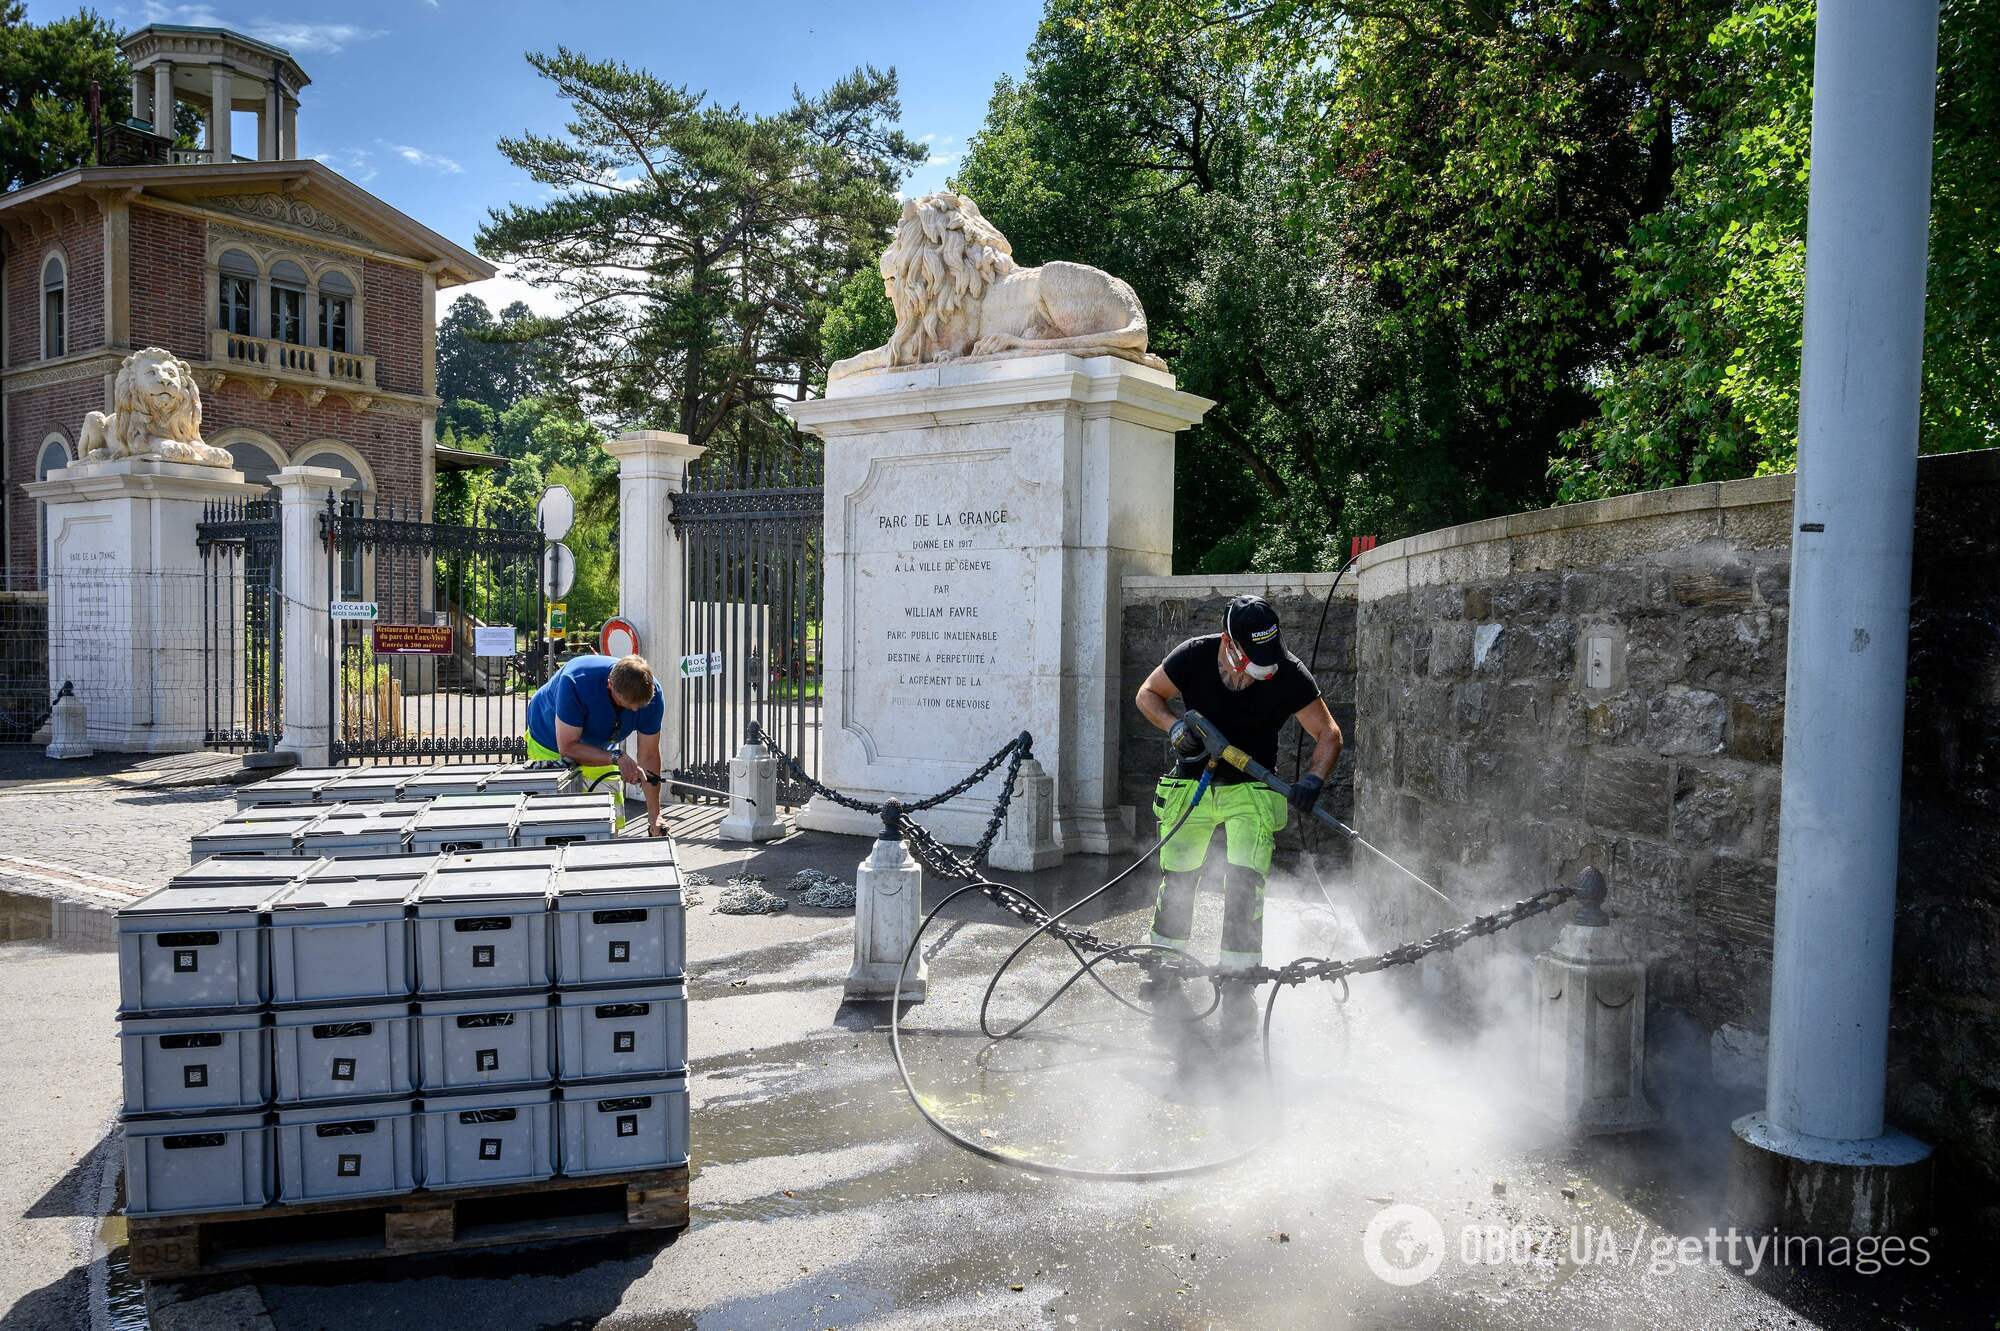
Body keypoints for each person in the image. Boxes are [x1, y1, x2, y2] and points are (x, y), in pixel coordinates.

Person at [1133, 595, 1344, 1036]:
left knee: (1245, 881)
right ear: (1229, 642)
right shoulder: (1193, 656)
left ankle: (1239, 979)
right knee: (1179, 875)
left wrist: (1312, 781)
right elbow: (1147, 694)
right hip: (1193, 781)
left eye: (1267, 660)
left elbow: (1328, 733)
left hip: (1254, 785)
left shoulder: (1287, 673)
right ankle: (1165, 966)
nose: (1260, 671)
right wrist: (1173, 727)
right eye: (1252, 661)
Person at [524, 653, 666, 837]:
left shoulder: (651, 695)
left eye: (640, 705)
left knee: (607, 820)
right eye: (628, 704)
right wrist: (617, 757)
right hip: (549, 741)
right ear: (610, 685)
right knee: (556, 824)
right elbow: (567, 747)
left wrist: (655, 816)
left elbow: (649, 756)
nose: (635, 710)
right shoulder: (576, 681)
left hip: (599, 746)